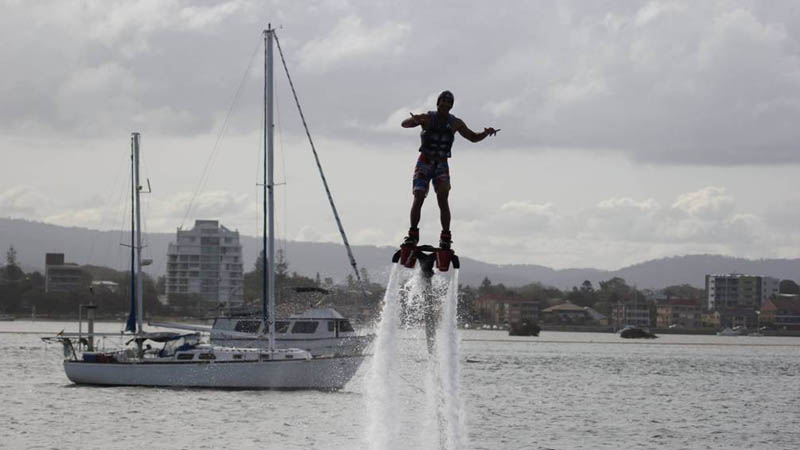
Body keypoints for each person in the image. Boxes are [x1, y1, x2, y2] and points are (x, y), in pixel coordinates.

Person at [401, 90, 499, 249]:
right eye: (442, 102)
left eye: (448, 103)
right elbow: (404, 124)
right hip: (424, 161)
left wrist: (485, 133)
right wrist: (415, 120)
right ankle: (412, 235)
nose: (445, 105)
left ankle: (445, 237)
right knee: (418, 196)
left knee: (443, 197)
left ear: (451, 106)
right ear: (438, 103)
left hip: (441, 164)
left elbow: (473, 137)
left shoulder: (456, 123)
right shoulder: (427, 117)